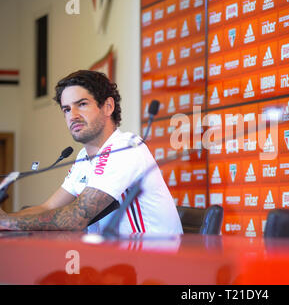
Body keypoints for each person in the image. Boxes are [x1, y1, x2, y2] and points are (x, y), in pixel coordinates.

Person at [0, 70, 183, 235]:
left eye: (82, 104)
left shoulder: (126, 147)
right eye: (66, 109)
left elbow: (76, 218)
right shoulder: (83, 157)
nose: (73, 115)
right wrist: (5, 220)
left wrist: (9, 221)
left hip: (152, 264)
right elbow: (47, 207)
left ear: (108, 107)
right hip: (117, 263)